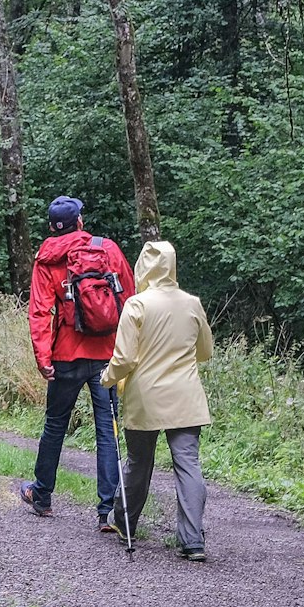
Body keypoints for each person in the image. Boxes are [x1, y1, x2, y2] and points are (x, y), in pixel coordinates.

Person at [19, 195, 135, 532]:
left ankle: (41, 497)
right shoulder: (106, 249)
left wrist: (43, 358)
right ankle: (106, 512)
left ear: (53, 227)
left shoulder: (47, 259)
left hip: (66, 355)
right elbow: (129, 298)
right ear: (80, 222)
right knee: (106, 431)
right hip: (105, 356)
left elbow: (40, 312)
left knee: (55, 424)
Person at [103, 239, 215, 561]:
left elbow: (123, 359)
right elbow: (204, 352)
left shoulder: (137, 305)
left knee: (139, 462)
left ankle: (125, 522)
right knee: (188, 465)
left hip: (146, 398)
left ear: (144, 267)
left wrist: (107, 378)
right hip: (186, 398)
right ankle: (193, 541)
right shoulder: (192, 303)